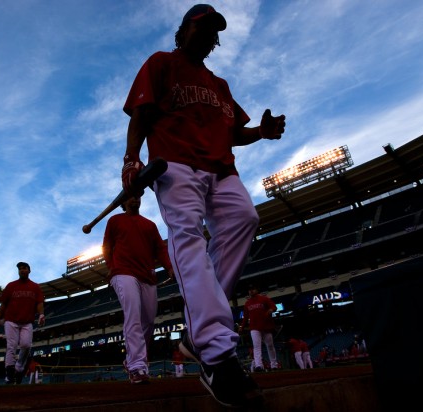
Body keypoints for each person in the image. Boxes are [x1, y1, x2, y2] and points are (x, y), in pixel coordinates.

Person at [121, 4, 285, 407]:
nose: (209, 36)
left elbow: (234, 132)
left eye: (214, 31)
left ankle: (197, 331)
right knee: (188, 239)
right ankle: (215, 353)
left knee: (246, 218)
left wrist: (260, 133)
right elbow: (140, 115)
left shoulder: (220, 84)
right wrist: (130, 159)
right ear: (184, 30)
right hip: (174, 162)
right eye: (202, 27)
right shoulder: (161, 63)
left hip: (220, 167)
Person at [102, 196, 174, 384]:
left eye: (137, 196)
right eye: (130, 197)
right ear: (123, 203)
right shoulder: (114, 220)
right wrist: (111, 266)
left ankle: (133, 359)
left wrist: (169, 267)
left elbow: (160, 249)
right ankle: (137, 366)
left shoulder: (149, 225)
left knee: (148, 321)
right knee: (133, 314)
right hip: (123, 271)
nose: (134, 200)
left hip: (147, 275)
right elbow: (107, 245)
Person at [0, 262, 45, 384]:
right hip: (11, 320)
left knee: (26, 345)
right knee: (11, 346)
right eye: (20, 269)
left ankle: (19, 367)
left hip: (27, 321)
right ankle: (9, 373)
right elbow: (3, 304)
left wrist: (42, 314)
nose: (22, 270)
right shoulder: (11, 286)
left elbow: (39, 303)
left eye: (24, 268)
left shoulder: (35, 287)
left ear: (29, 270)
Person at [238, 285, 279, 372]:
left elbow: (274, 307)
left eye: (252, 289)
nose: (251, 291)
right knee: (256, 346)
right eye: (249, 290)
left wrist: (271, 310)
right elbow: (245, 318)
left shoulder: (264, 299)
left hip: (266, 326)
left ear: (257, 290)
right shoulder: (247, 303)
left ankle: (274, 365)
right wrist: (242, 327)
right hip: (254, 327)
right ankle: (259, 366)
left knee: (270, 346)